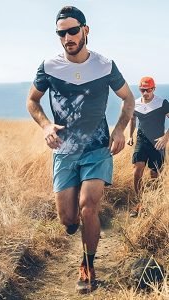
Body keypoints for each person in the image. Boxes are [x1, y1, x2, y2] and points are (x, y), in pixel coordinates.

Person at [26, 6, 135, 293]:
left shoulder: (105, 65)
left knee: (89, 207)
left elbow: (128, 99)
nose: (67, 37)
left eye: (73, 31)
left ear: (86, 30)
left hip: (97, 149)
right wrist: (46, 126)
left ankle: (88, 266)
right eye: (61, 33)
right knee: (68, 218)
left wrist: (120, 129)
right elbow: (32, 101)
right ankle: (74, 226)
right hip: (63, 151)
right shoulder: (49, 67)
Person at [127, 77, 169, 217]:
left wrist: (165, 137)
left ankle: (151, 202)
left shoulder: (162, 103)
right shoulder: (136, 103)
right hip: (142, 141)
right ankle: (138, 203)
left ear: (153, 89)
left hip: (157, 143)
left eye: (148, 90)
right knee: (137, 170)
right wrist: (130, 136)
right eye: (142, 90)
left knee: (154, 175)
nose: (145, 93)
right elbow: (133, 119)